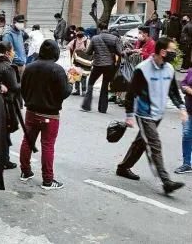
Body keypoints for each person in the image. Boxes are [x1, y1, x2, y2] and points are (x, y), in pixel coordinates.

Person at [117, 37, 186, 194]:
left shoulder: (169, 69)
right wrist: (129, 114)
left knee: (141, 142)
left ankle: (123, 167)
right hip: (145, 113)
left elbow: (173, 91)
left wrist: (181, 107)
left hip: (158, 113)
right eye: (172, 51)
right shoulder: (143, 69)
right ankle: (166, 181)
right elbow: (131, 93)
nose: (174, 54)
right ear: (162, 52)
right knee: (154, 144)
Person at [20, 39, 72, 190]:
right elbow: (64, 92)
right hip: (50, 114)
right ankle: (48, 180)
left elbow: (23, 89)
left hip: (31, 111)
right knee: (48, 146)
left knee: (27, 141)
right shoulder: (58, 70)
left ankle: (25, 171)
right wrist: (70, 83)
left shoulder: (29, 67)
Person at [0, 41, 19, 169]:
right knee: (5, 131)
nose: (13, 53)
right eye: (12, 50)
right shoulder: (7, 67)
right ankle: (4, 160)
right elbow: (14, 87)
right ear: (7, 52)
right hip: (5, 103)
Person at [81, 22, 122, 113]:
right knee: (105, 85)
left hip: (97, 65)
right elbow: (120, 52)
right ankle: (103, 108)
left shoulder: (95, 38)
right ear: (107, 28)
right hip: (109, 65)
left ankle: (86, 105)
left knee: (91, 83)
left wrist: (84, 50)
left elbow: (88, 52)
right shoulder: (114, 38)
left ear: (99, 29)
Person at [177, 68, 192, 174]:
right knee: (186, 135)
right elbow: (183, 84)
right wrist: (186, 88)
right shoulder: (191, 71)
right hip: (189, 109)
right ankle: (186, 163)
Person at [67, 27, 89, 95]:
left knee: (83, 76)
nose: (79, 33)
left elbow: (90, 50)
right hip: (76, 61)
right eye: (78, 32)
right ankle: (77, 90)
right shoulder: (74, 41)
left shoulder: (87, 41)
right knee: (76, 74)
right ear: (76, 33)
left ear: (83, 32)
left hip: (84, 61)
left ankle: (84, 90)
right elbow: (68, 47)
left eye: (81, 32)